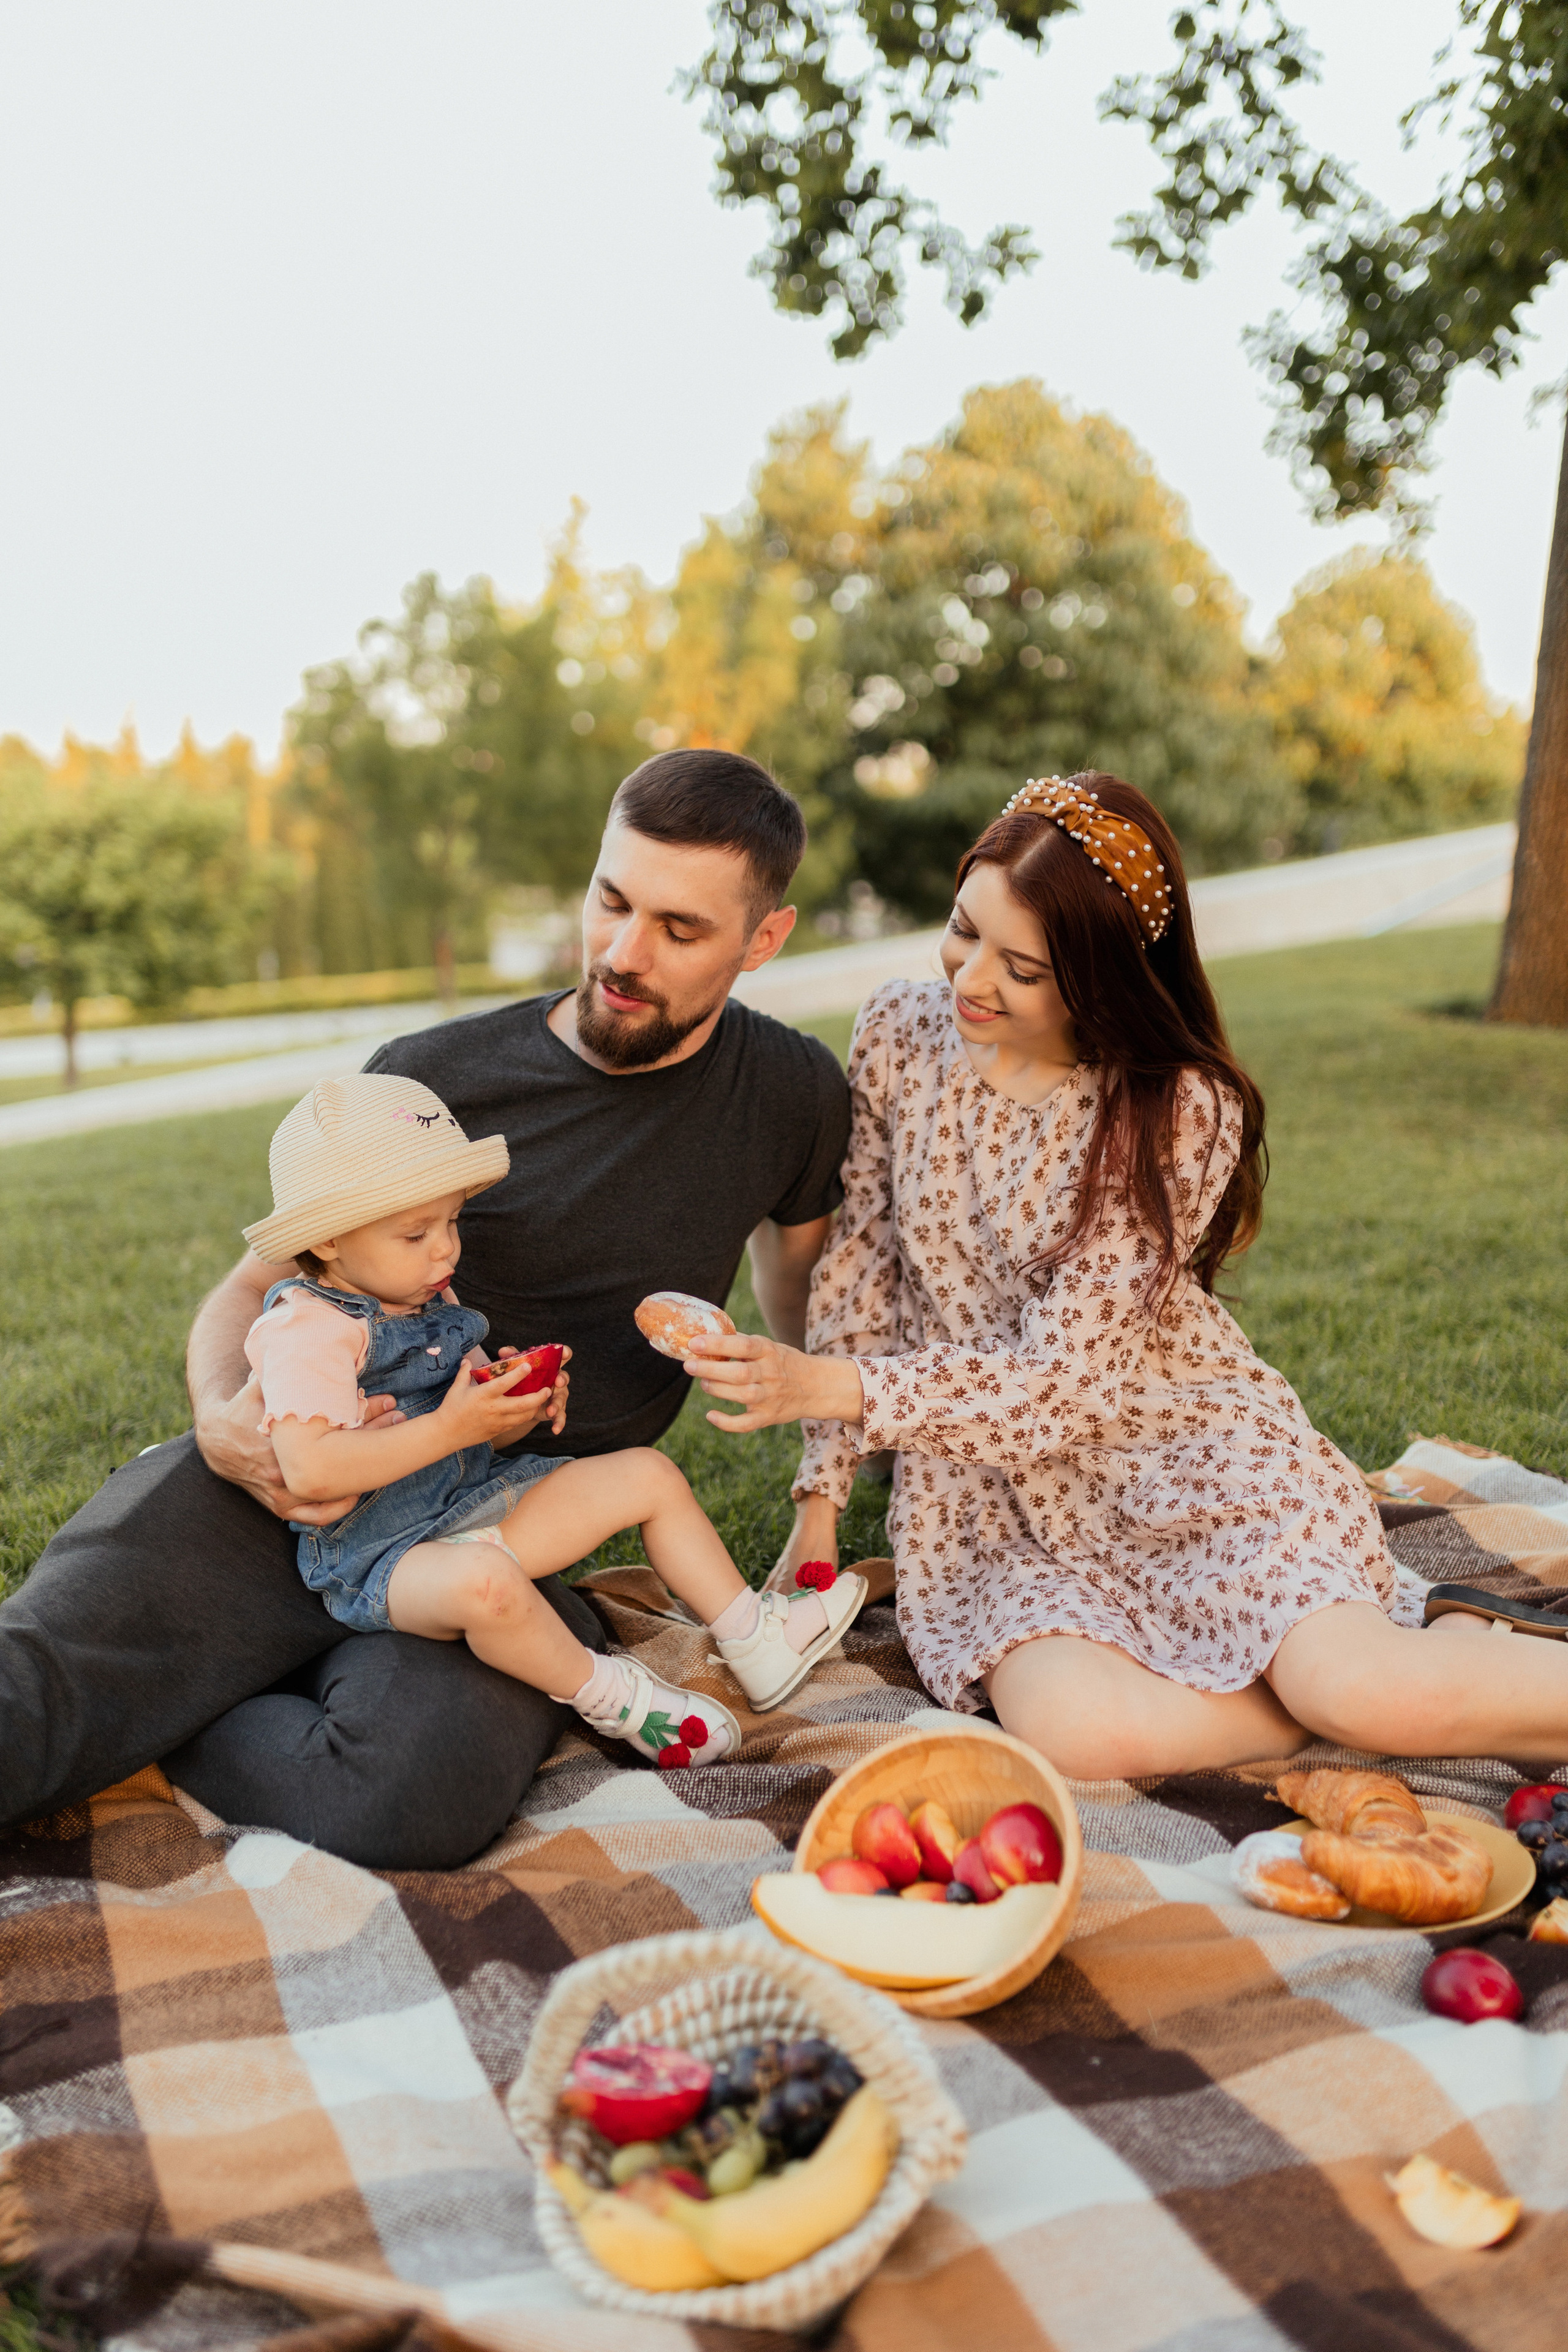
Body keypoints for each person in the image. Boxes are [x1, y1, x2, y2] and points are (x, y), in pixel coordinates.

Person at [0, 750, 851, 1864]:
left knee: (407, 1798)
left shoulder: (791, 1094)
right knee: (33, 1695)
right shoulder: (428, 1079)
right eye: (611, 901)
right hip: (289, 1486)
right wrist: (217, 1415)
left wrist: (820, 1452)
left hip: (491, 1536)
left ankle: (192, 1694)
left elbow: (807, 1302)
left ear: (764, 939)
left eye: (680, 929)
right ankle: (179, 1670)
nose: (623, 954)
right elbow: (255, 1287)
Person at [684, 771, 1568, 1778]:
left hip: (1179, 1453)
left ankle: (1373, 1684)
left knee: (1361, 1689)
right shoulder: (899, 1032)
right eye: (963, 929)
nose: (971, 978)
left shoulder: (1176, 1106)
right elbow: (862, 1266)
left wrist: (826, 1386)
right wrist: (820, 1503)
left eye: (1023, 968)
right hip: (992, 1509)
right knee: (1078, 1733)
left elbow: (1064, 1386)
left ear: (1100, 980)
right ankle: (1384, 1674)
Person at [240, 1070, 863, 1760]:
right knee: (488, 1585)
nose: (445, 1249)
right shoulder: (308, 1329)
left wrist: (516, 1407)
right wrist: (450, 1428)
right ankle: (618, 1700)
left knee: (649, 1476)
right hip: (385, 1562)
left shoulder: (431, 1302)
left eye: (451, 1222)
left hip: (472, 1507)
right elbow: (310, 1470)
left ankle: (756, 1638)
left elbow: (481, 1428)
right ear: (329, 1240)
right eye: (415, 1234)